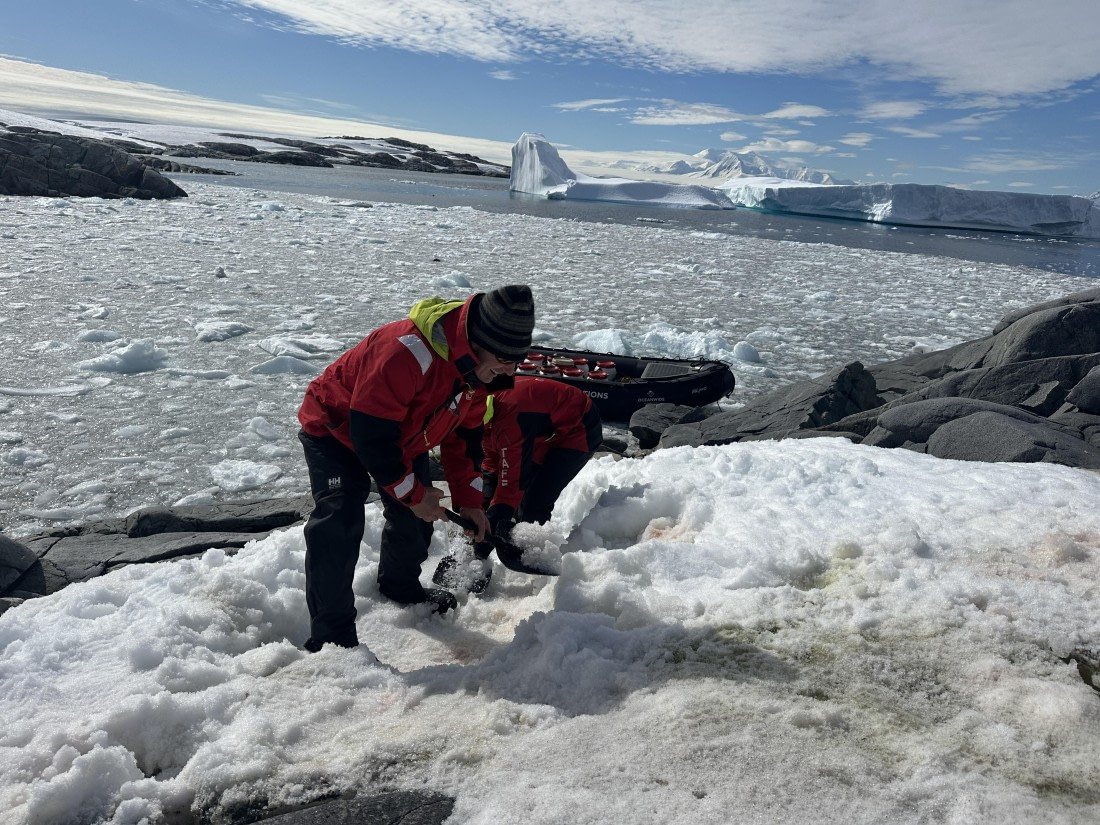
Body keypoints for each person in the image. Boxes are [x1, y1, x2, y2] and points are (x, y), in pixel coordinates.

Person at [296, 285, 535, 651]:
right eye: (503, 357)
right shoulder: (407, 351)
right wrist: (411, 492)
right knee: (339, 520)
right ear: (477, 341)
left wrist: (470, 501)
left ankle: (399, 585)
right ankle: (332, 640)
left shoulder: (479, 372)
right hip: (338, 428)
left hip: (405, 435)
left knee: (415, 519)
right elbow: (371, 436)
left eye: (515, 359)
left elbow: (465, 438)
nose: (510, 369)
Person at [434, 374, 602, 590]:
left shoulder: (510, 418)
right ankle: (475, 558)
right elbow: (492, 463)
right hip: (541, 430)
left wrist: (496, 515)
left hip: (578, 429)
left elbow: (513, 480)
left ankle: (537, 562)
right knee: (495, 503)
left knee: (534, 501)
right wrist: (483, 503)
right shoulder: (477, 413)